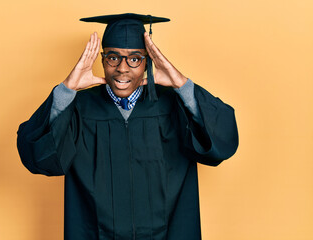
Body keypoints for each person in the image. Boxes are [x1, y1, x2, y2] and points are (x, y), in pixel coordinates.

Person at [17, 13, 238, 240]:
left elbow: (222, 137)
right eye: (113, 57)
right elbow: (37, 155)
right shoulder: (80, 108)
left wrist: (181, 83)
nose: (122, 68)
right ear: (102, 60)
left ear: (147, 62)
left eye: (134, 58)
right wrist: (67, 89)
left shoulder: (173, 104)